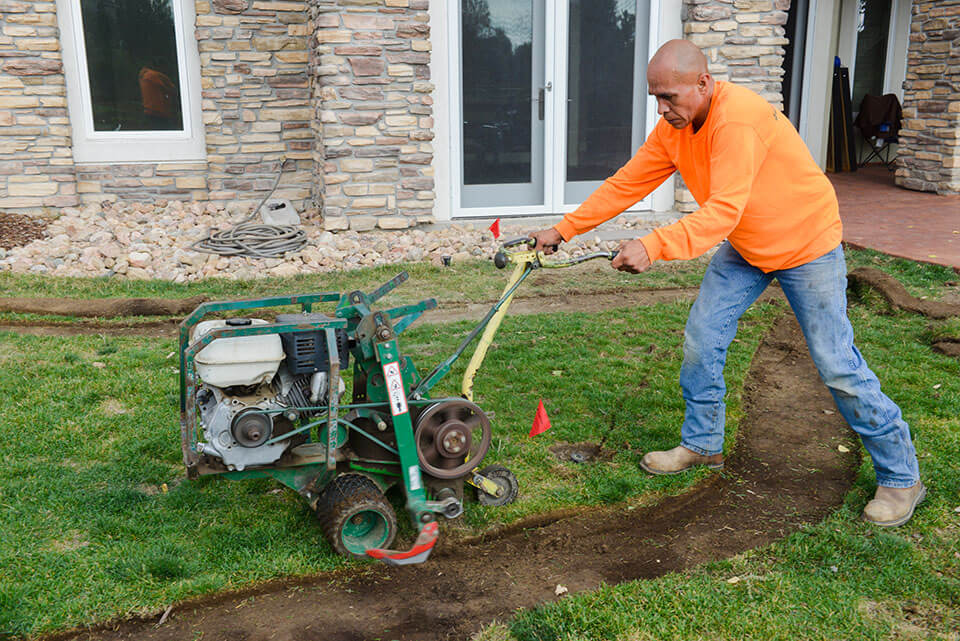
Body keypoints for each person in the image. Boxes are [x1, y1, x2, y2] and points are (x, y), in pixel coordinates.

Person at [530, 39, 924, 528]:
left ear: (704, 82)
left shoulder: (737, 121)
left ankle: (901, 476)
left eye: (670, 97)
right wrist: (563, 229)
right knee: (703, 339)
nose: (662, 108)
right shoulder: (675, 126)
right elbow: (628, 181)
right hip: (748, 245)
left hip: (807, 245)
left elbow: (723, 210)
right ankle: (701, 444)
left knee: (836, 363)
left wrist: (654, 245)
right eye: (655, 97)